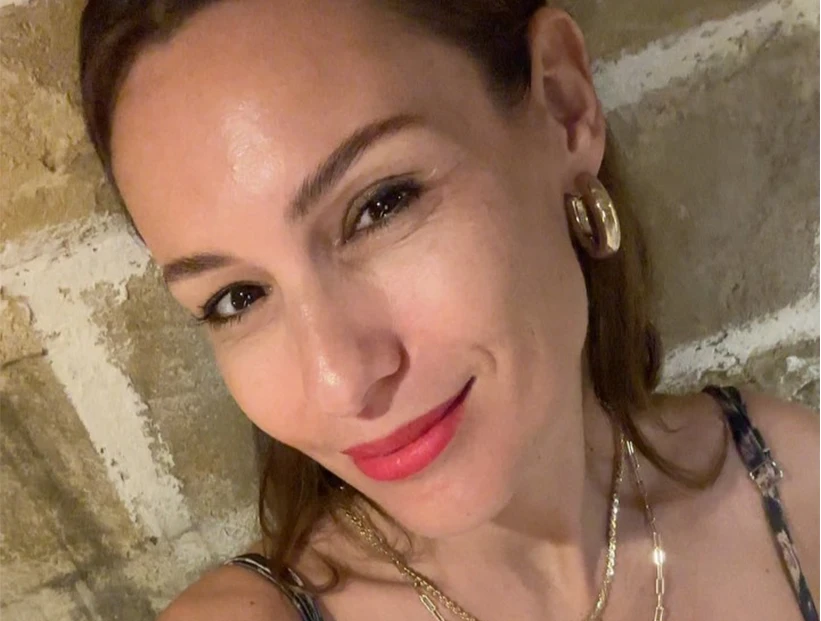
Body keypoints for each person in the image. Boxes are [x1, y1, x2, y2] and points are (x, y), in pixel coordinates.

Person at [78, 1, 819, 619]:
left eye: (379, 206)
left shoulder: (794, 486)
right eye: (236, 298)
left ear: (563, 108)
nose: (340, 381)